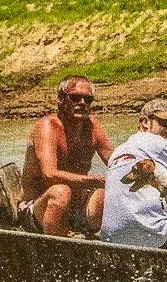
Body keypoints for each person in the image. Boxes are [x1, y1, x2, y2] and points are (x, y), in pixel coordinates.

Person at [18, 74, 115, 235]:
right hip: (37, 208)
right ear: (61, 100)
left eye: (88, 99)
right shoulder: (48, 126)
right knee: (61, 192)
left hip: (78, 208)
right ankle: (57, 252)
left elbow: (117, 162)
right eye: (76, 98)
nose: (82, 103)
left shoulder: (92, 127)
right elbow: (49, 175)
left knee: (109, 195)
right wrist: (95, 181)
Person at [99, 98, 167, 250]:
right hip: (152, 237)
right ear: (145, 122)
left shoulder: (118, 151)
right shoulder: (157, 142)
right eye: (164, 124)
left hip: (111, 237)